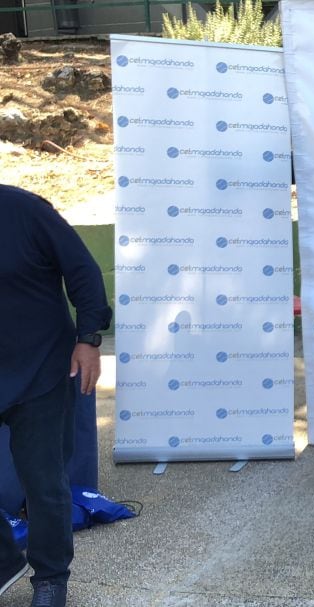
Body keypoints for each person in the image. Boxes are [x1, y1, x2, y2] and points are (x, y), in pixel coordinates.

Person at [0, 184, 111, 607]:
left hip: (40, 368)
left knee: (43, 482)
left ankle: (50, 579)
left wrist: (89, 338)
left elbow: (82, 269)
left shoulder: (24, 209)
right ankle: (4, 561)